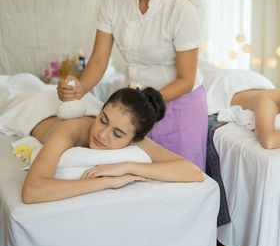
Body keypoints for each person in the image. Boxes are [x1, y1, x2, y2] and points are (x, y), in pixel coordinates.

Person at [57, 0, 208, 171]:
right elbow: (98, 60)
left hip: (179, 106)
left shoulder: (181, 10)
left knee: (179, 177)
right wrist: (79, 88)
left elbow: (186, 79)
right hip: (134, 111)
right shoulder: (113, 0)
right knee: (136, 178)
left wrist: (142, 104)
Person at [22, 87, 204, 204]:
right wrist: (107, 182)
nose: (102, 134)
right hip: (36, 106)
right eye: (102, 120)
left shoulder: (135, 137)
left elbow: (193, 172)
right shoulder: (71, 129)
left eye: (117, 134)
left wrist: (127, 167)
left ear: (134, 141)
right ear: (99, 111)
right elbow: (32, 191)